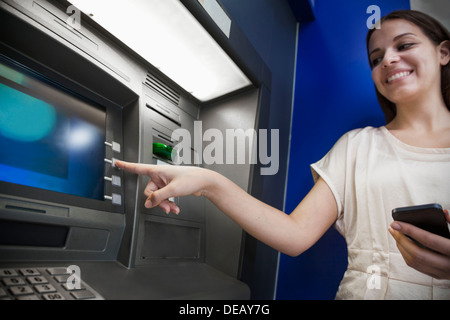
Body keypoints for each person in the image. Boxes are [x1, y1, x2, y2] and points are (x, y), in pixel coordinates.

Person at [115, 10, 450, 299]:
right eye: (376, 58)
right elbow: (295, 235)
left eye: (404, 45)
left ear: (443, 52)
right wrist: (208, 182)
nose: (389, 60)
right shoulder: (357, 146)